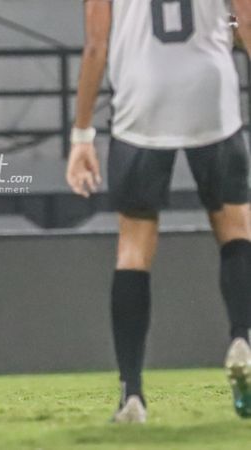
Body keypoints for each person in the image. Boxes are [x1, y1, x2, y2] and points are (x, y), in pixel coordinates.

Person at [67, 0, 251, 422]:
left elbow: (96, 45)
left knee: (133, 246)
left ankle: (132, 394)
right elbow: (246, 19)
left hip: (141, 98)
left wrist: (81, 136)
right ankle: (242, 337)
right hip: (211, 92)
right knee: (235, 226)